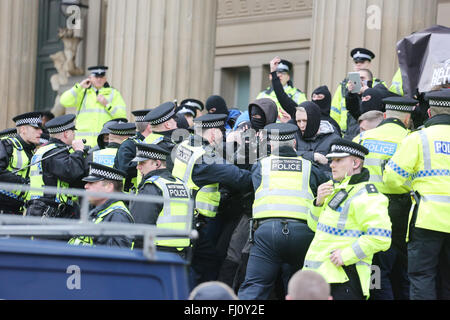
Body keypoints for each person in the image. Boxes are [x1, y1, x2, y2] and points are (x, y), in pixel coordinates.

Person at [237, 123, 328, 300]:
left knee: (255, 287)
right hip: (303, 233)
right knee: (302, 290)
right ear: (294, 143)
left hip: (267, 233)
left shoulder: (261, 166)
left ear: (271, 145)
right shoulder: (309, 167)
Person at [171, 113, 253, 288]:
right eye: (222, 133)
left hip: (179, 216)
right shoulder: (205, 157)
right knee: (204, 267)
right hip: (197, 221)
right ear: (214, 133)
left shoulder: (185, 145)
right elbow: (240, 178)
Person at [303, 138, 392, 300]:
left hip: (345, 278)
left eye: (338, 160)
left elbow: (381, 237)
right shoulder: (337, 189)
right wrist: (318, 203)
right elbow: (314, 226)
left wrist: (347, 255)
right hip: (322, 277)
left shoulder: (368, 195)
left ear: (355, 163)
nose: (331, 165)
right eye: (331, 160)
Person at [383, 89, 450, 300]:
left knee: (422, 276)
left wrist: (411, 186)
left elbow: (392, 178)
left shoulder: (417, 138)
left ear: (430, 113)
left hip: (426, 219)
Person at [355, 96, 417, 300]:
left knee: (377, 271)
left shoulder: (362, 139)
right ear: (407, 118)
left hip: (368, 208)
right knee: (404, 270)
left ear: (384, 116)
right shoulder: (412, 138)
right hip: (402, 210)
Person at [129, 142, 191, 254]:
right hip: (182, 251)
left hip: (156, 251)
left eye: (142, 162)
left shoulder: (152, 186)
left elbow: (139, 227)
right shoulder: (182, 184)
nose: (138, 167)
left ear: (157, 164)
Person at [26, 114, 87, 219]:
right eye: (73, 132)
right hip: (50, 211)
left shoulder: (45, 150)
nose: (74, 135)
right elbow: (71, 172)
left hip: (40, 208)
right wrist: (78, 152)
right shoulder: (55, 152)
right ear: (66, 134)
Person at [68, 162, 135, 248]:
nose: (86, 186)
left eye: (91, 183)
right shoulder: (96, 209)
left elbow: (117, 258)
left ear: (108, 187)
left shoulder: (118, 216)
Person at [59, 65, 127, 148]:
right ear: (90, 78)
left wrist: (107, 104)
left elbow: (122, 115)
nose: (99, 79)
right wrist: (79, 86)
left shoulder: (114, 93)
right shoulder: (83, 92)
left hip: (103, 143)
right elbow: (64, 101)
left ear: (105, 78)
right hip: (83, 143)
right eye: (96, 76)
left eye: (101, 77)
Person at [330, 48, 387, 137]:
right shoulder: (343, 86)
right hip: (346, 132)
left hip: (372, 130)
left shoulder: (378, 84)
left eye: (362, 62)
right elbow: (334, 111)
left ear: (369, 64)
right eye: (356, 63)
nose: (359, 65)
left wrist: (369, 90)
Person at [0, 112, 43, 214]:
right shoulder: (7, 145)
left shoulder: (33, 153)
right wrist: (22, 182)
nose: (40, 132)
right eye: (36, 128)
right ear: (23, 129)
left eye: (41, 129)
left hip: (18, 210)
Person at [294, 102, 340, 173]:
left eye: (305, 121)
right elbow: (285, 155)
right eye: (298, 121)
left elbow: (337, 171)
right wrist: (313, 156)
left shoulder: (334, 140)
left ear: (314, 119)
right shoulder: (294, 135)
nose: (301, 125)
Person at [112, 109, 151, 192]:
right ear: (149, 126)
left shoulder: (154, 142)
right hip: (129, 195)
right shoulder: (129, 144)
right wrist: (148, 161)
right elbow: (125, 169)